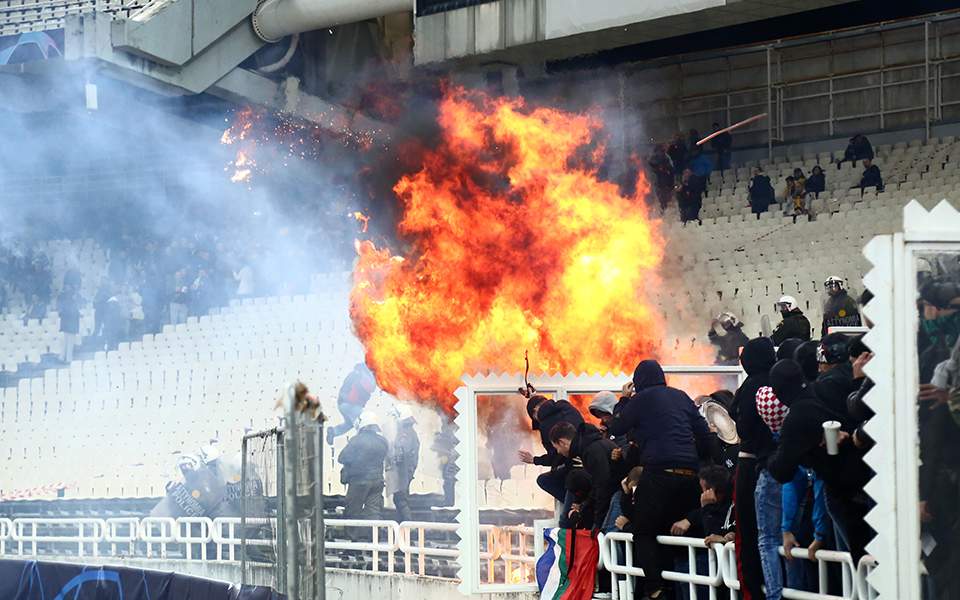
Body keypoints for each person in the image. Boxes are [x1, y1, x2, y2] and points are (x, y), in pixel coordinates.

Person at [609, 359, 717, 600]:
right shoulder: (681, 396)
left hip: (658, 473)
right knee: (681, 529)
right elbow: (704, 435)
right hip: (690, 475)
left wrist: (625, 400)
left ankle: (657, 590)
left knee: (644, 531)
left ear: (638, 383)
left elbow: (617, 426)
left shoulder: (639, 400)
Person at [766, 360, 873, 560]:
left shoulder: (796, 418)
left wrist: (767, 455)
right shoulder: (828, 388)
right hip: (873, 475)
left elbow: (782, 470)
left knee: (862, 560)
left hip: (844, 493)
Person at [731, 337, 777, 600]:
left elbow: (744, 428)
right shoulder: (781, 379)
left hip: (752, 465)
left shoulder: (751, 387)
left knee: (751, 535)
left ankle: (755, 592)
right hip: (785, 464)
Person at [549, 421, 616, 529]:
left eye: (556, 447)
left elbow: (602, 487)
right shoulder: (592, 446)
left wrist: (597, 524)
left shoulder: (591, 451)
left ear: (562, 442)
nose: (558, 452)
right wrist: (582, 506)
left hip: (615, 500)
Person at [521, 395, 584, 502]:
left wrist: (535, 460)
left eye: (534, 417)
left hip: (572, 468)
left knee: (544, 480)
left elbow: (555, 456)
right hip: (586, 460)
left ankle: (576, 505)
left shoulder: (545, 424)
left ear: (535, 410)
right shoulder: (566, 407)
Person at [338, 411, 389, 520]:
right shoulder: (383, 441)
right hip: (377, 481)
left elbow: (342, 458)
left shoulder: (357, 440)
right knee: (373, 511)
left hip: (359, 481)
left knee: (352, 510)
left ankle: (354, 536)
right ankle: (373, 535)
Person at [327, 363, 377, 445]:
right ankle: (363, 444)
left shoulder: (354, 374)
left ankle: (334, 431)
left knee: (349, 424)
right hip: (352, 404)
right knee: (363, 422)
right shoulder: (362, 375)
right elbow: (370, 387)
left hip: (342, 404)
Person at [388, 404, 420, 523]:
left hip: (403, 471)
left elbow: (402, 453)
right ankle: (402, 527)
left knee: (400, 499)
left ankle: (407, 526)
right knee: (400, 498)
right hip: (406, 470)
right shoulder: (409, 432)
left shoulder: (404, 433)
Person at [56, 283, 81, 364]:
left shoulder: (66, 303)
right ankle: (67, 358)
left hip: (68, 326)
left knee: (67, 342)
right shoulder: (71, 304)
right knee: (68, 343)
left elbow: (61, 313)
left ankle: (63, 358)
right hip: (70, 326)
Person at [649, 145, 676, 213]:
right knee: (662, 194)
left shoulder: (665, 157)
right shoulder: (658, 157)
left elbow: (671, 169)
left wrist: (664, 169)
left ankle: (665, 207)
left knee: (663, 194)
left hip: (664, 180)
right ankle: (664, 207)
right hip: (661, 181)